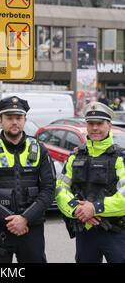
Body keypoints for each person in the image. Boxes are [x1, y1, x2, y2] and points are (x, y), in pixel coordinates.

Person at [0, 96, 56, 263]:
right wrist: (10, 219)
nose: (14, 122)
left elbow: (49, 189)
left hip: (31, 228)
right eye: (9, 118)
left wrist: (25, 218)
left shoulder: (39, 149)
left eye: (19, 118)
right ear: (0, 121)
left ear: (25, 120)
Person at [56, 101, 125, 263]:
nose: (95, 128)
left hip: (114, 232)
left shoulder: (120, 158)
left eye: (99, 124)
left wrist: (95, 208)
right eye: (91, 124)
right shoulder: (75, 157)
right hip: (85, 232)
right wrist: (77, 210)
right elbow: (60, 190)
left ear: (109, 125)